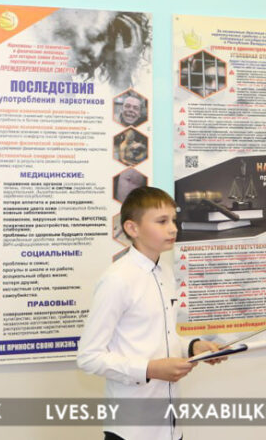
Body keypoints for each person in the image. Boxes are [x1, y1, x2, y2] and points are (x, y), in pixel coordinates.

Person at [77, 187, 226, 440]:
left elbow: (160, 337)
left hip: (170, 427)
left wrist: (193, 347)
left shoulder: (165, 271)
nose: (173, 229)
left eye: (173, 220)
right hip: (131, 429)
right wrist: (149, 369)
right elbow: (88, 357)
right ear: (132, 228)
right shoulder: (117, 280)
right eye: (162, 221)